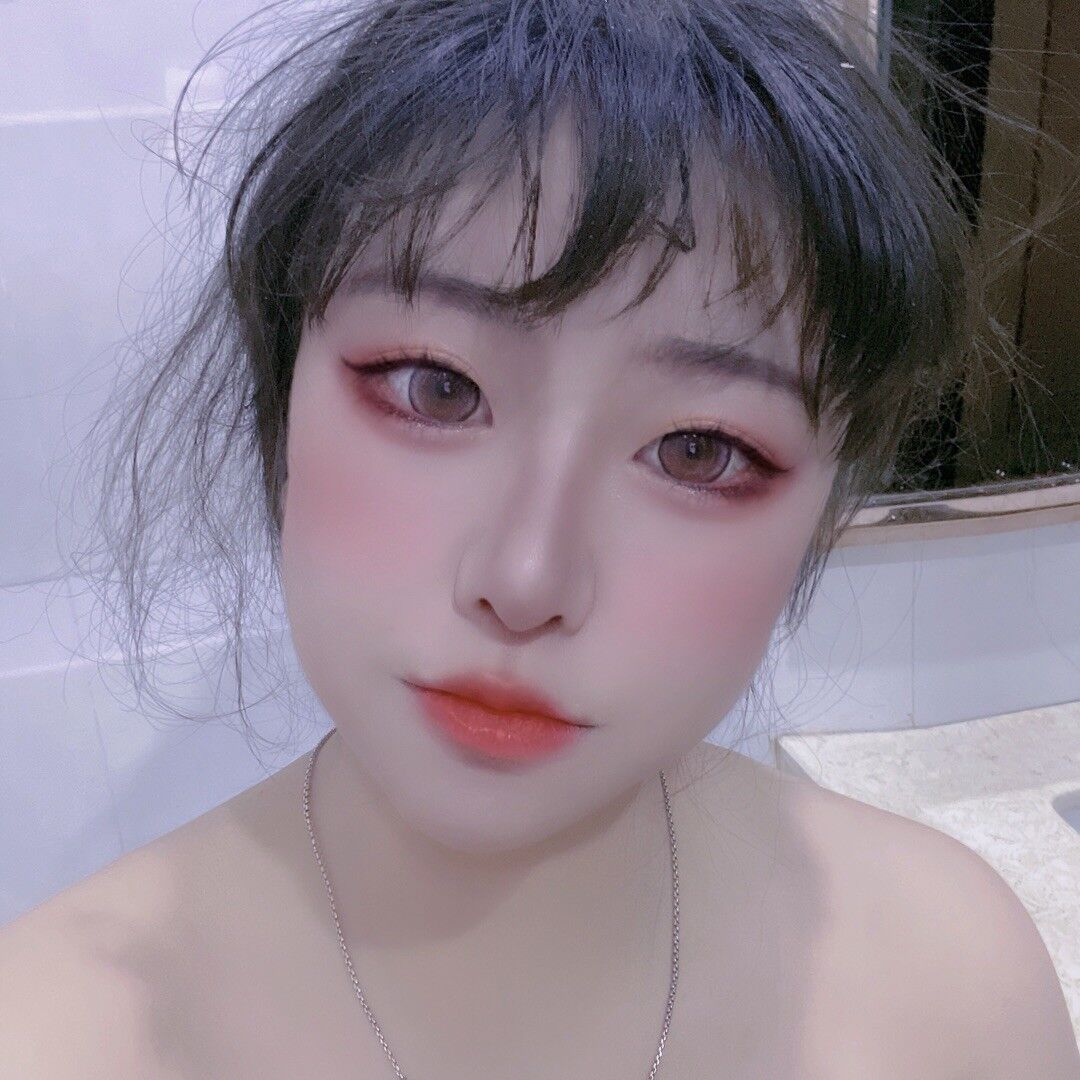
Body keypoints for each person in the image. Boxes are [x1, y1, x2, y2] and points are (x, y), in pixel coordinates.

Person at [2, 0, 1078, 1076]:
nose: (525, 580)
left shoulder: (952, 989)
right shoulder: (47, 1035)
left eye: (699, 451)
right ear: (282, 394)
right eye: (436, 388)